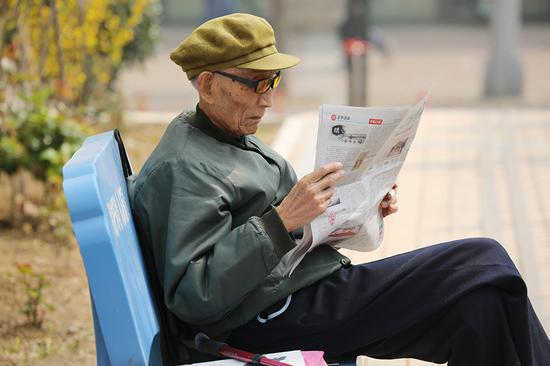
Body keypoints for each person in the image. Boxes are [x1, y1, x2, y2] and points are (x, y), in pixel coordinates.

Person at [128, 13, 550, 365]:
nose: (268, 99)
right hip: (267, 317)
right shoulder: (183, 167)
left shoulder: (224, 135)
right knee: (484, 258)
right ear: (206, 84)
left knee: (479, 307)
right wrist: (281, 221)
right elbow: (193, 295)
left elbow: (293, 232)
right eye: (255, 84)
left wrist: (359, 207)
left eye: (272, 82)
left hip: (299, 291)